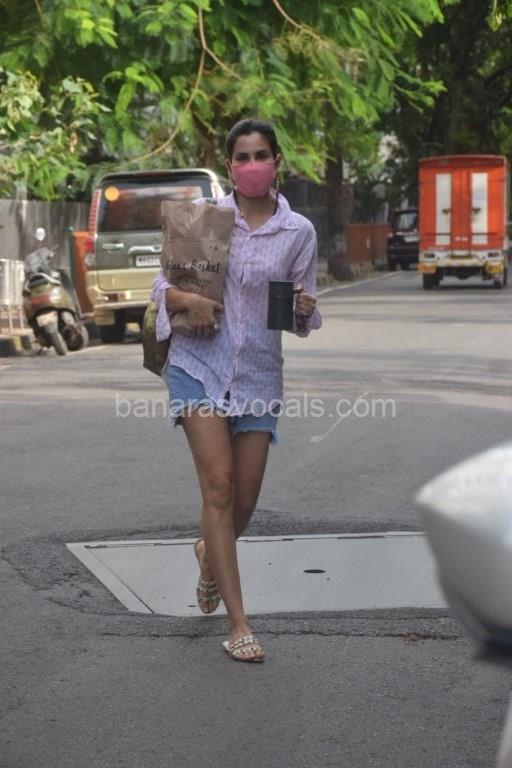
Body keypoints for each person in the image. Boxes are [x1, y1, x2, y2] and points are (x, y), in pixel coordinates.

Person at [151, 118, 322, 662]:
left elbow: (298, 312)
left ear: (276, 162)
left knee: (244, 502)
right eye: (242, 157)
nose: (252, 165)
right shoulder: (205, 219)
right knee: (219, 490)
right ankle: (239, 623)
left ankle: (209, 555)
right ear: (230, 166)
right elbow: (161, 284)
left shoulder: (298, 232)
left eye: (261, 155)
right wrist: (187, 301)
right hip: (198, 365)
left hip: (258, 376)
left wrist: (304, 308)